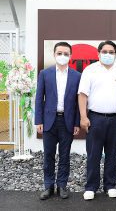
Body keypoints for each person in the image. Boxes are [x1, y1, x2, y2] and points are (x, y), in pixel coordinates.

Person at [78, 40, 116, 200]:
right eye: (104, 52)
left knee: (113, 154)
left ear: (115, 54)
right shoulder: (90, 70)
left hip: (115, 119)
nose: (108, 55)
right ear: (98, 54)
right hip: (95, 118)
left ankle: (110, 185)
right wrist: (83, 117)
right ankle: (91, 187)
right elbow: (82, 94)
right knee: (93, 154)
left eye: (111, 52)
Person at [35, 42, 81, 200]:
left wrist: (76, 123)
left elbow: (77, 102)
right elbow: (39, 98)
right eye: (59, 53)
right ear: (54, 55)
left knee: (65, 155)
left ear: (71, 56)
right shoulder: (45, 74)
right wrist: (38, 120)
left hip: (67, 122)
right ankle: (48, 186)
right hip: (49, 121)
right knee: (48, 155)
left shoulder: (76, 75)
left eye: (66, 53)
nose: (63, 56)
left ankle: (62, 185)